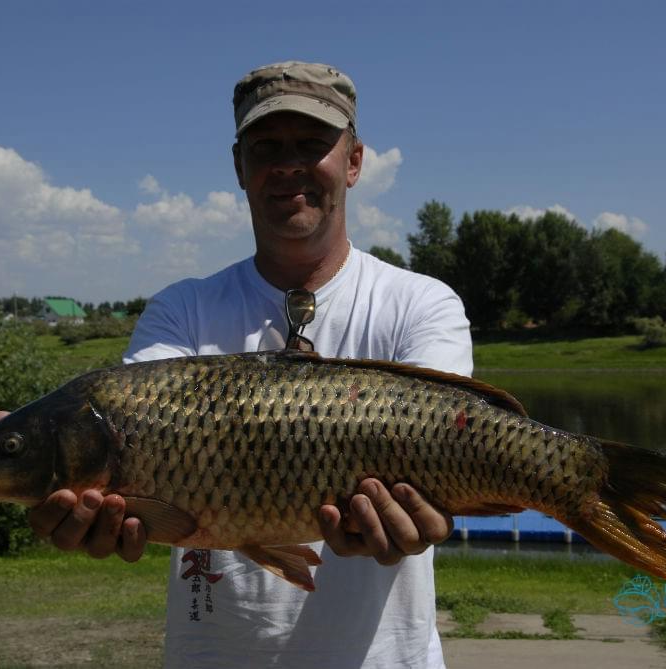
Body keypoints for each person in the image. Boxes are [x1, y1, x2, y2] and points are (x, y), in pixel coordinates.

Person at [24, 61, 473, 668]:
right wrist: (48, 470)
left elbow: (456, 453)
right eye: (266, 147)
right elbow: (123, 416)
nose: (288, 163)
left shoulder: (420, 303)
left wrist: (426, 515)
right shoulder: (181, 310)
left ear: (355, 161)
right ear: (239, 167)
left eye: (313, 143)